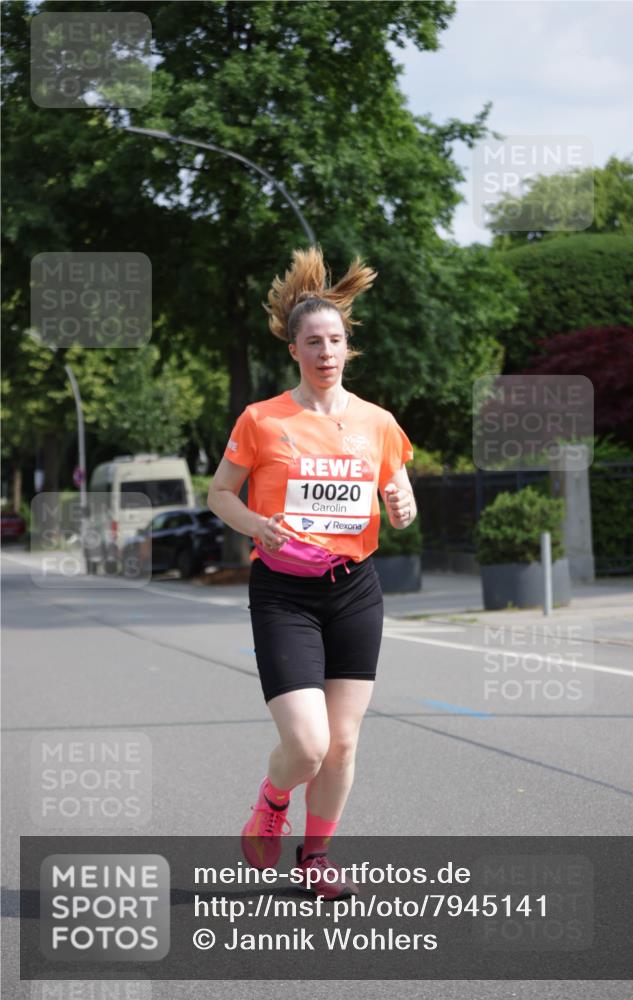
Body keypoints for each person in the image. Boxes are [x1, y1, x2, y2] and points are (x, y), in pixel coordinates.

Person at [207, 246, 417, 899]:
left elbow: (399, 497)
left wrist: (404, 504)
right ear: (293, 350)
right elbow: (220, 495)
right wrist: (255, 525)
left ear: (347, 346)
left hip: (353, 590)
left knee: (343, 745)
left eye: (335, 340)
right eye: (312, 342)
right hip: (282, 593)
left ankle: (315, 856)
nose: (325, 351)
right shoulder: (262, 420)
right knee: (306, 744)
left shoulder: (377, 423)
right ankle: (271, 803)